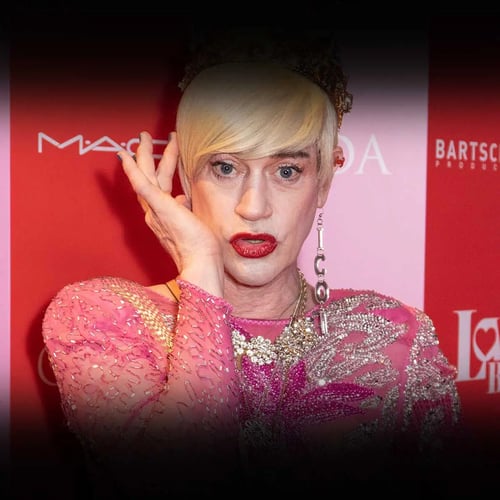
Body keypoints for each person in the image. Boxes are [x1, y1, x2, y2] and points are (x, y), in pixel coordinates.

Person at [41, 24, 463, 496]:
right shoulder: (101, 319)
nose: (254, 206)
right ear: (187, 177)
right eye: (225, 167)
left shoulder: (396, 335)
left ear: (324, 181)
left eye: (287, 170)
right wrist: (201, 274)